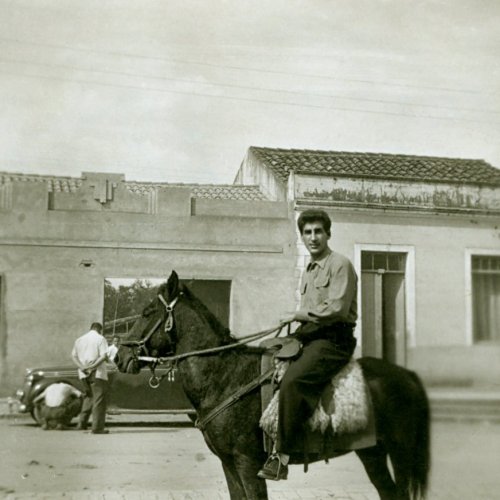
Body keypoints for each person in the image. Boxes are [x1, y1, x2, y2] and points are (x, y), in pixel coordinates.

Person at [258, 209, 358, 481]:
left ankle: (282, 455)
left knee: (293, 381)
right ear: (301, 236)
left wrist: (296, 315)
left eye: (318, 231)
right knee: (265, 354)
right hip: (311, 334)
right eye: (307, 232)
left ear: (328, 234)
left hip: (334, 339)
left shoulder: (340, 265)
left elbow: (337, 308)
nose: (313, 237)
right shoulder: (309, 270)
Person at [71, 322, 110, 434]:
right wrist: (92, 366)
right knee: (99, 399)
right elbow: (103, 356)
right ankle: (97, 428)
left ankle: (81, 424)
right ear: (99, 330)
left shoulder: (79, 340)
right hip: (96, 373)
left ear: (91, 328)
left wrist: (82, 367)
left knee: (88, 397)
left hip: (83, 373)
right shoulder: (100, 339)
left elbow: (73, 356)